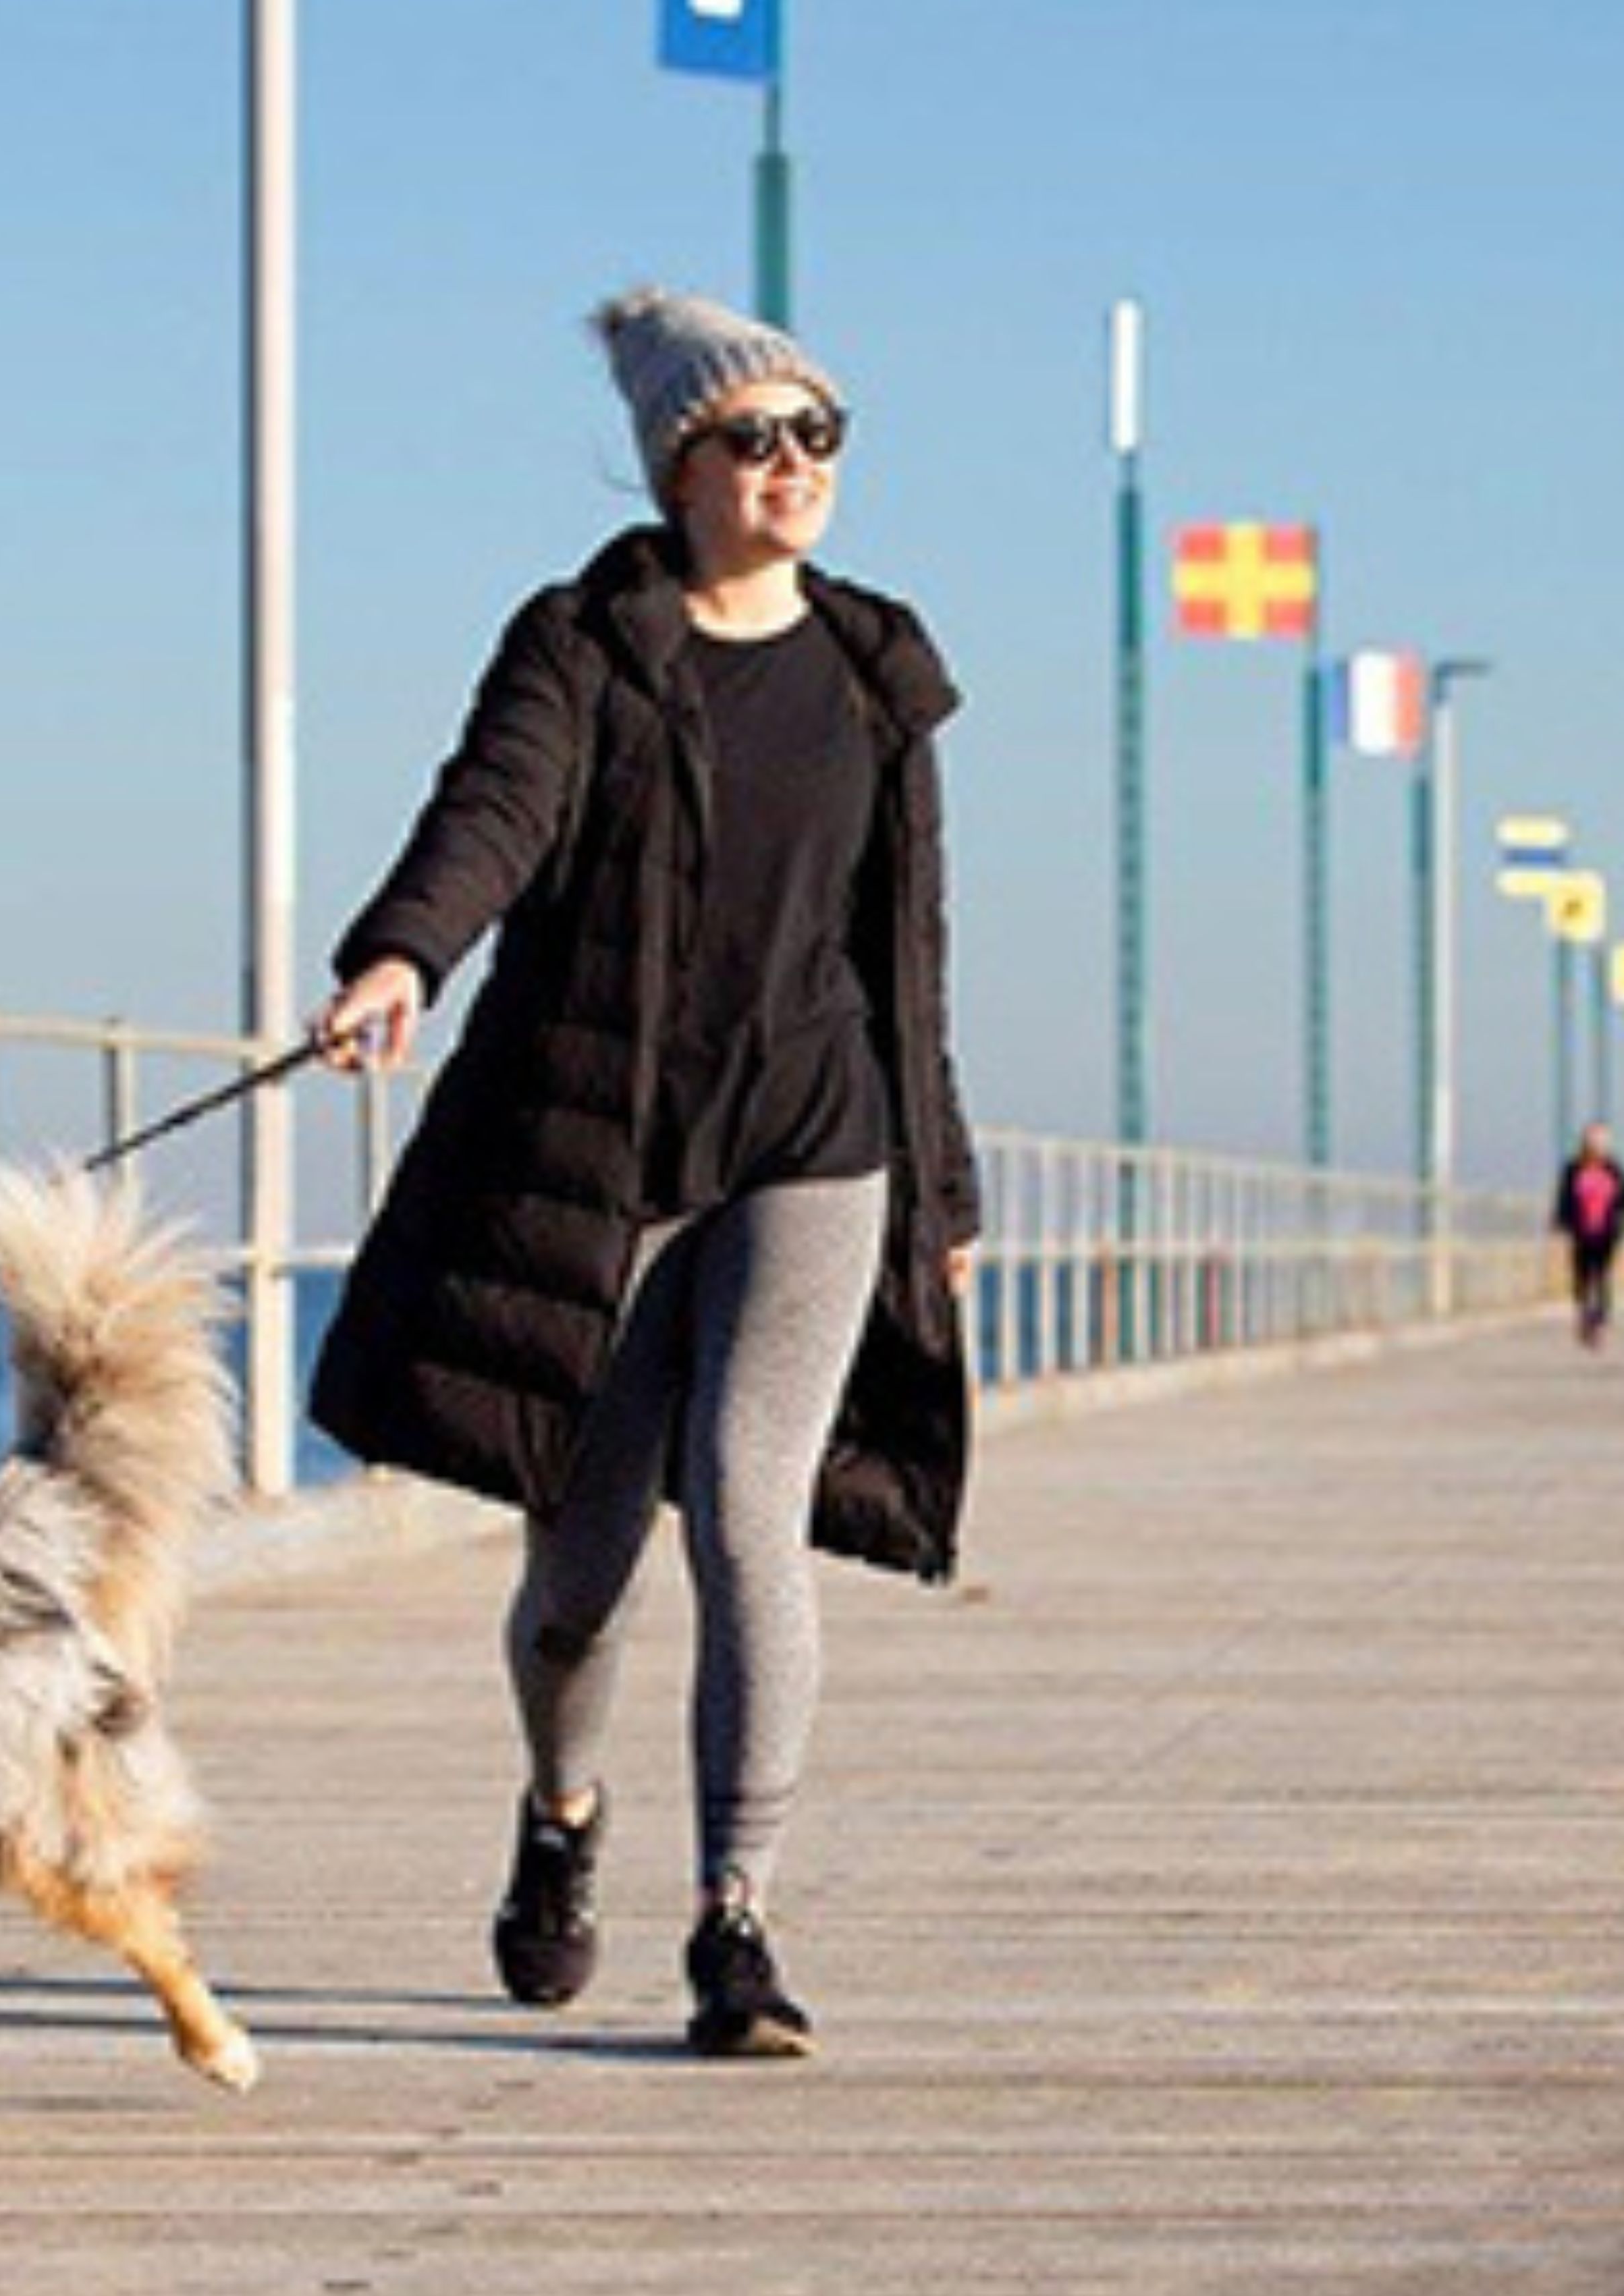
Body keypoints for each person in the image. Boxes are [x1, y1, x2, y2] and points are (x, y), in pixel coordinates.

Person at [306, 287, 981, 2061]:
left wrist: (947, 1192)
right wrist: (402, 956)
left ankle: (736, 1920)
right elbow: (495, 807)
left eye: (817, 435)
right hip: (596, 1151)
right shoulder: (585, 645)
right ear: (678, 466)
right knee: (582, 1570)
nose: (792, 468)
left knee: (750, 1507)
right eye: (753, 438)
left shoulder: (868, 672)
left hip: (816, 1138)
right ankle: (562, 1814)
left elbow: (905, 953)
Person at [1549, 1123, 1624, 1350]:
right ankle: (1584, 1316)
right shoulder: (1573, 1170)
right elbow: (1564, 1199)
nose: (1596, 1148)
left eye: (1600, 1143)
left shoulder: (1614, 1170)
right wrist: (1559, 1224)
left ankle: (1600, 1323)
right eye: (1592, 1143)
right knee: (1582, 1277)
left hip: (1607, 1232)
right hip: (1581, 1231)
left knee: (1602, 1276)